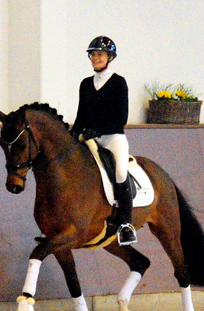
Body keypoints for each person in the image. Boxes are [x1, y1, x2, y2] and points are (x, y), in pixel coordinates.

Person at [70, 35, 137, 245]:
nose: (96, 58)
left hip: (112, 137)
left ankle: (126, 224)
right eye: (93, 54)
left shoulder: (118, 83)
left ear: (109, 57)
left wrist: (97, 130)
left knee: (119, 171)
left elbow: (121, 118)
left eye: (100, 54)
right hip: (89, 137)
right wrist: (73, 134)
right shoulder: (86, 84)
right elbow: (81, 115)